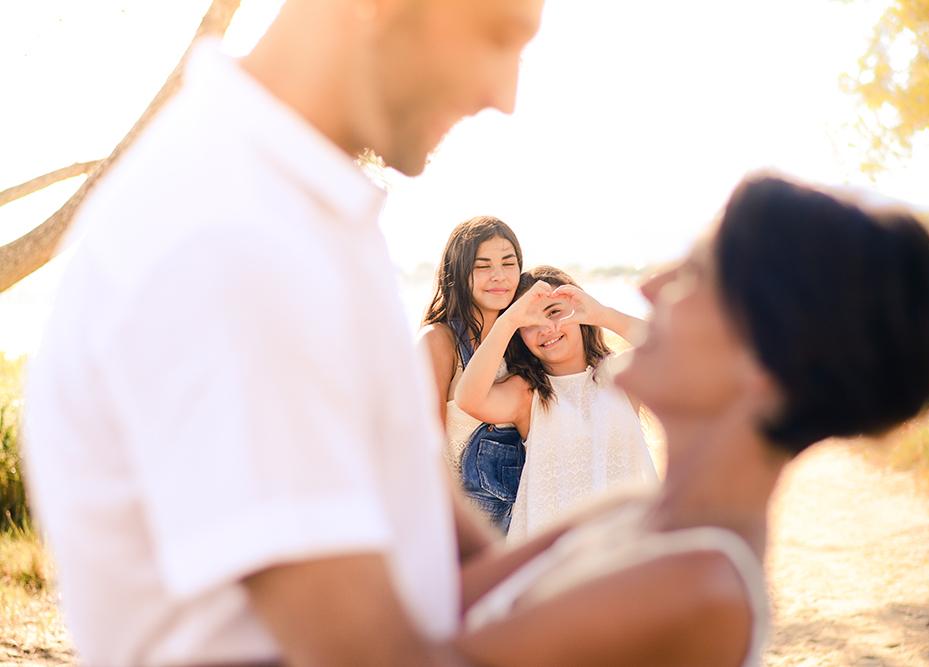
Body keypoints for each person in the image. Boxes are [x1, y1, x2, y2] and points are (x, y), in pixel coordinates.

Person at [22, 0, 545, 665]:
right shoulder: (230, 237)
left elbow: (443, 557)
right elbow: (372, 654)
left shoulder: (305, 215)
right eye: (496, 36)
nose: (505, 95)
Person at [447, 175, 929, 666]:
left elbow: (416, 653)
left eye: (695, 274)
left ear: (763, 361)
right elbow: (451, 605)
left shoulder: (700, 584)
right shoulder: (629, 510)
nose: (649, 285)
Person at [455, 265, 658, 541]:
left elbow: (677, 346)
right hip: (557, 558)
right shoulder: (529, 393)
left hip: (629, 546)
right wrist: (509, 321)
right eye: (529, 326)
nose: (546, 330)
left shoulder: (620, 375)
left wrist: (602, 314)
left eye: (554, 313)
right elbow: (468, 398)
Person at [419, 216, 526, 532]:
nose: (499, 276)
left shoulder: (523, 343)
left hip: (524, 522)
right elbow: (425, 446)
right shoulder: (440, 341)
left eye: (509, 263)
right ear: (458, 272)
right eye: (483, 266)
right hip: (465, 527)